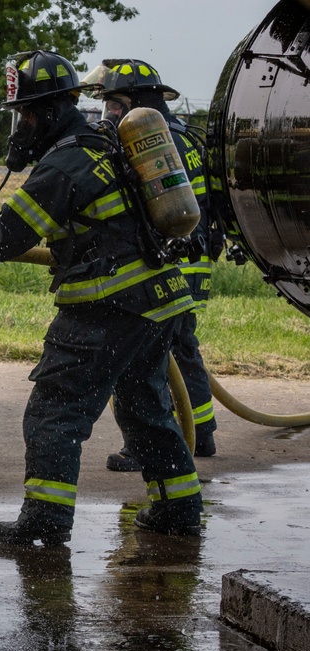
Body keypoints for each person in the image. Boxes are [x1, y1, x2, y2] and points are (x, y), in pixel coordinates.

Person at [0, 50, 203, 544]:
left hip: (106, 306)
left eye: (24, 114)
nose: (21, 126)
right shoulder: (101, 143)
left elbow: (5, 236)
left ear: (46, 110)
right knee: (145, 408)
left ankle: (46, 520)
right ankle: (180, 508)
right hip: (159, 301)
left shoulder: (65, 163)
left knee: (55, 410)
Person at [82, 59, 220, 471]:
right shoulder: (184, 137)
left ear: (137, 102)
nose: (110, 114)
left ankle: (151, 445)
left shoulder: (152, 141)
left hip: (167, 263)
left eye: (115, 104)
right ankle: (202, 433)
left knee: (149, 357)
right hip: (192, 261)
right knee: (181, 350)